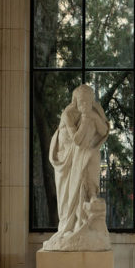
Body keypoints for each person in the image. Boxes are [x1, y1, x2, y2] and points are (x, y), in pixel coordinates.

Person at [43, 84, 110, 251]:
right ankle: (69, 224)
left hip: (83, 153)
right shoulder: (68, 114)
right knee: (69, 196)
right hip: (66, 159)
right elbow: (77, 140)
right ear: (76, 102)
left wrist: (93, 117)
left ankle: (91, 196)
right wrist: (87, 119)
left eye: (88, 102)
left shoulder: (92, 113)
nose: (84, 106)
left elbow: (103, 132)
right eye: (81, 103)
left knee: (92, 156)